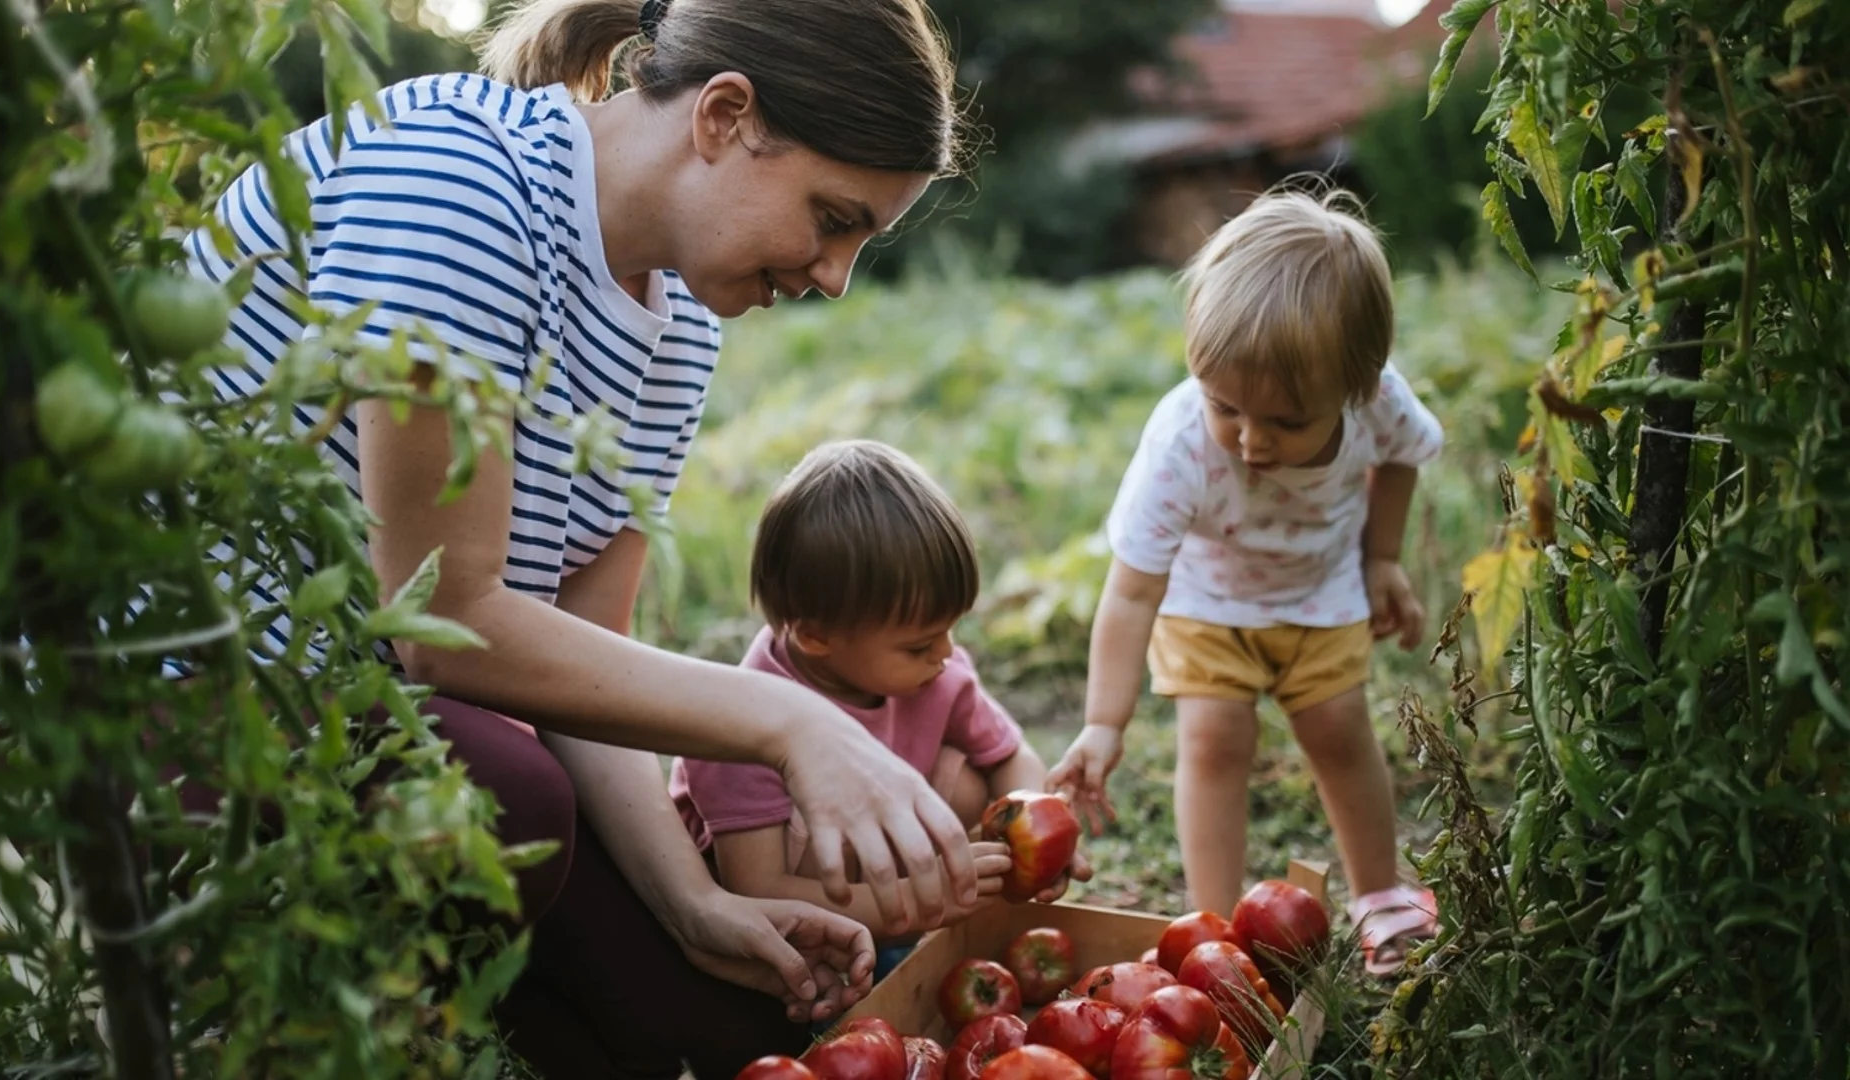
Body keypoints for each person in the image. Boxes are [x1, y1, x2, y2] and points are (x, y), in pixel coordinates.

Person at [182, 0, 983, 1074]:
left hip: (389, 719)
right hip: (195, 693)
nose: (834, 276)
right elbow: (442, 619)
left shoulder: (682, 316)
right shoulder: (459, 182)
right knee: (503, 797)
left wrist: (694, 904)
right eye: (832, 218)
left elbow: (579, 662)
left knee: (740, 1010)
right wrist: (794, 723)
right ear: (724, 116)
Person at [1047, 189, 1445, 978]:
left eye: (1287, 423)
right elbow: (1131, 592)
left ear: (1357, 388)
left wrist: (1381, 558)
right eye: (1227, 407)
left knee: (1339, 730)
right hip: (1206, 604)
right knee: (1213, 740)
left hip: (1321, 592)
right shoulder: (1182, 443)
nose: (1252, 441)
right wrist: (1103, 722)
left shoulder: (1380, 404)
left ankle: (1382, 899)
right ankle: (1214, 934)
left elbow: (1402, 458)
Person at [669, 441, 1079, 978]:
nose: (948, 653)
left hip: (890, 880)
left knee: (967, 779)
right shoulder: (737, 731)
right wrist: (918, 900)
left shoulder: (935, 672)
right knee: (810, 838)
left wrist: (1038, 834)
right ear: (815, 636)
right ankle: (878, 943)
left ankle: (896, 941)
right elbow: (759, 889)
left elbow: (1011, 756)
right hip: (798, 913)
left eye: (950, 629)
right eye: (919, 644)